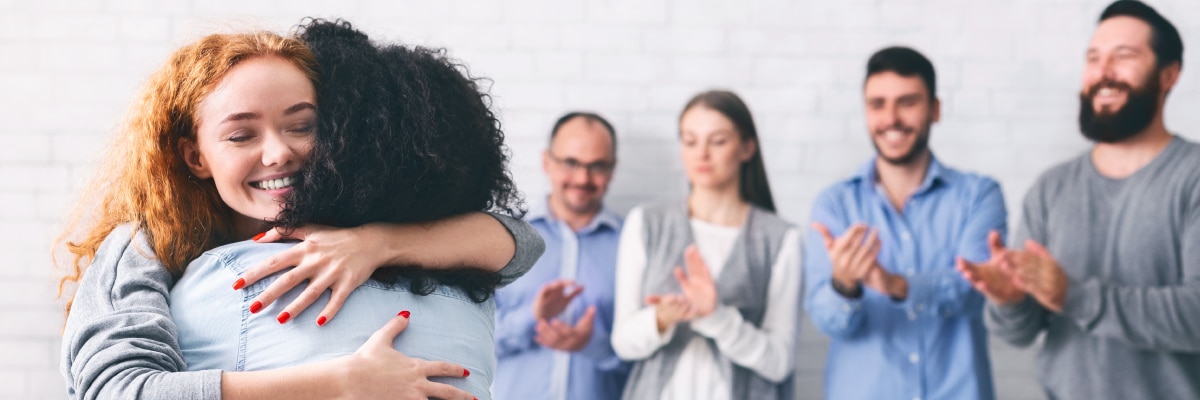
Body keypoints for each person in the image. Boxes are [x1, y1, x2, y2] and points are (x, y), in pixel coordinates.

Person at [57, 22, 542, 400]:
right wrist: (340, 383)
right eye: (241, 135)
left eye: (301, 126)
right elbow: (116, 389)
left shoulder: (347, 220)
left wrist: (375, 243)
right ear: (195, 157)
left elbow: (521, 244)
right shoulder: (147, 243)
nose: (278, 154)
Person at [958, 1, 1200, 398]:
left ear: (1169, 75)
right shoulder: (1051, 189)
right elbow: (1022, 334)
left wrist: (1075, 295)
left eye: (1124, 57)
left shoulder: (1192, 177)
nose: (1103, 73)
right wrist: (1011, 300)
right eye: (1093, 58)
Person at [804, 46, 1005, 400]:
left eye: (907, 102)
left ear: (935, 110)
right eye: (877, 104)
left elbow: (976, 290)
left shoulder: (978, 195)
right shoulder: (834, 204)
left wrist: (897, 284)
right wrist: (845, 286)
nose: (891, 118)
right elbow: (826, 320)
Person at [610, 90, 801, 400]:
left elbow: (779, 363)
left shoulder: (780, 238)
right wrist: (662, 318)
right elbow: (622, 343)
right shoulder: (647, 223)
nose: (702, 154)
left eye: (718, 141)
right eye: (690, 140)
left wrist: (716, 318)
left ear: (747, 148)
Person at [494, 112, 630, 400]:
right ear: (547, 162)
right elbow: (474, 340)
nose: (583, 178)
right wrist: (532, 317)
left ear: (613, 169)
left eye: (597, 166)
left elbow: (646, 358)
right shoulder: (505, 239)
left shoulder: (632, 245)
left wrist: (594, 345)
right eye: (571, 162)